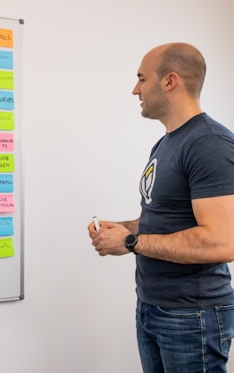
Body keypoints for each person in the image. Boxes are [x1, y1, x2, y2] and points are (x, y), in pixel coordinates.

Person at [88, 42, 234, 372]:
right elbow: (165, 218)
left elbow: (222, 242)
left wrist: (129, 243)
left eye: (142, 78)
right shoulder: (168, 142)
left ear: (169, 81)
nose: (134, 89)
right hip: (154, 307)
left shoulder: (209, 144)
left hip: (192, 315)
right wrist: (126, 228)